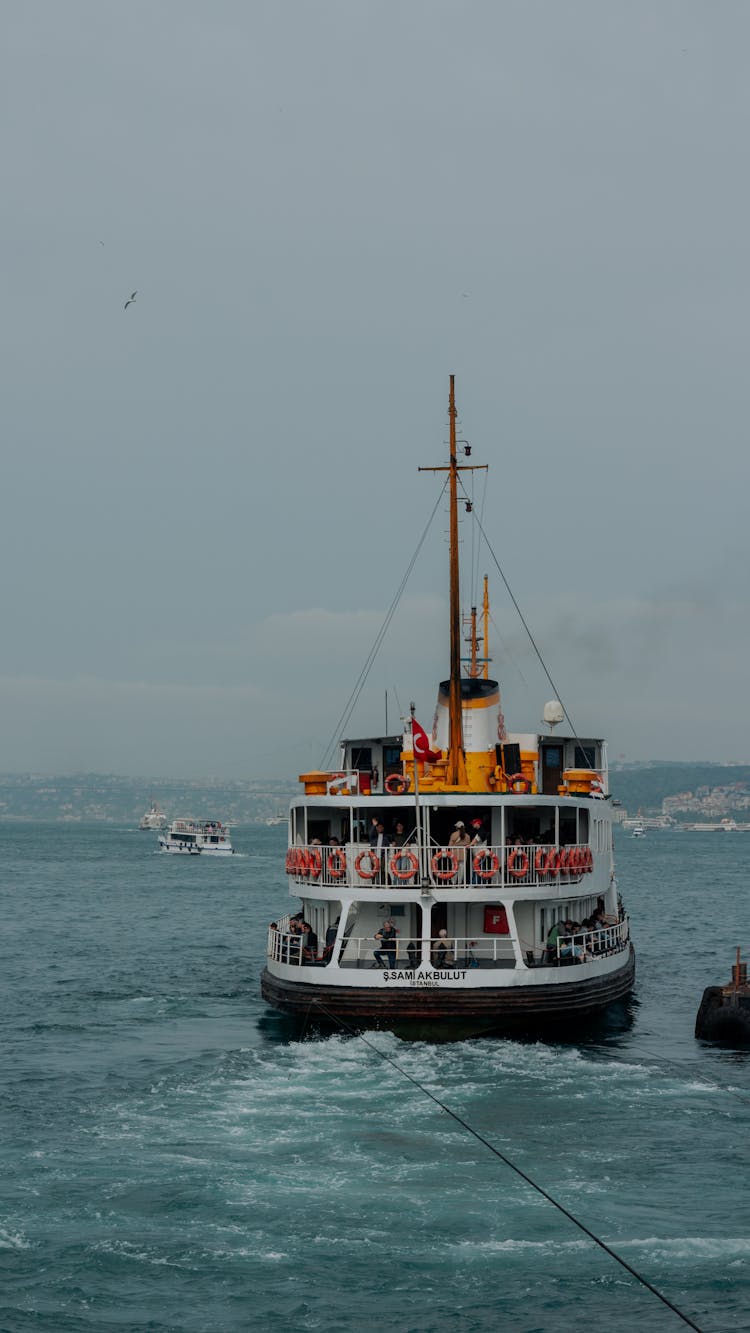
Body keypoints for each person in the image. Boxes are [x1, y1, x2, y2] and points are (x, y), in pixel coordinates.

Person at [469, 818, 486, 884]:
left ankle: (476, 883)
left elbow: (476, 839)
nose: (472, 824)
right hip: (477, 854)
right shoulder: (477, 831)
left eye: (474, 823)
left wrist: (470, 845)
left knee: (478, 868)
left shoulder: (481, 831)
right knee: (478, 868)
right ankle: (479, 883)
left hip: (480, 853)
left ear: (478, 823)